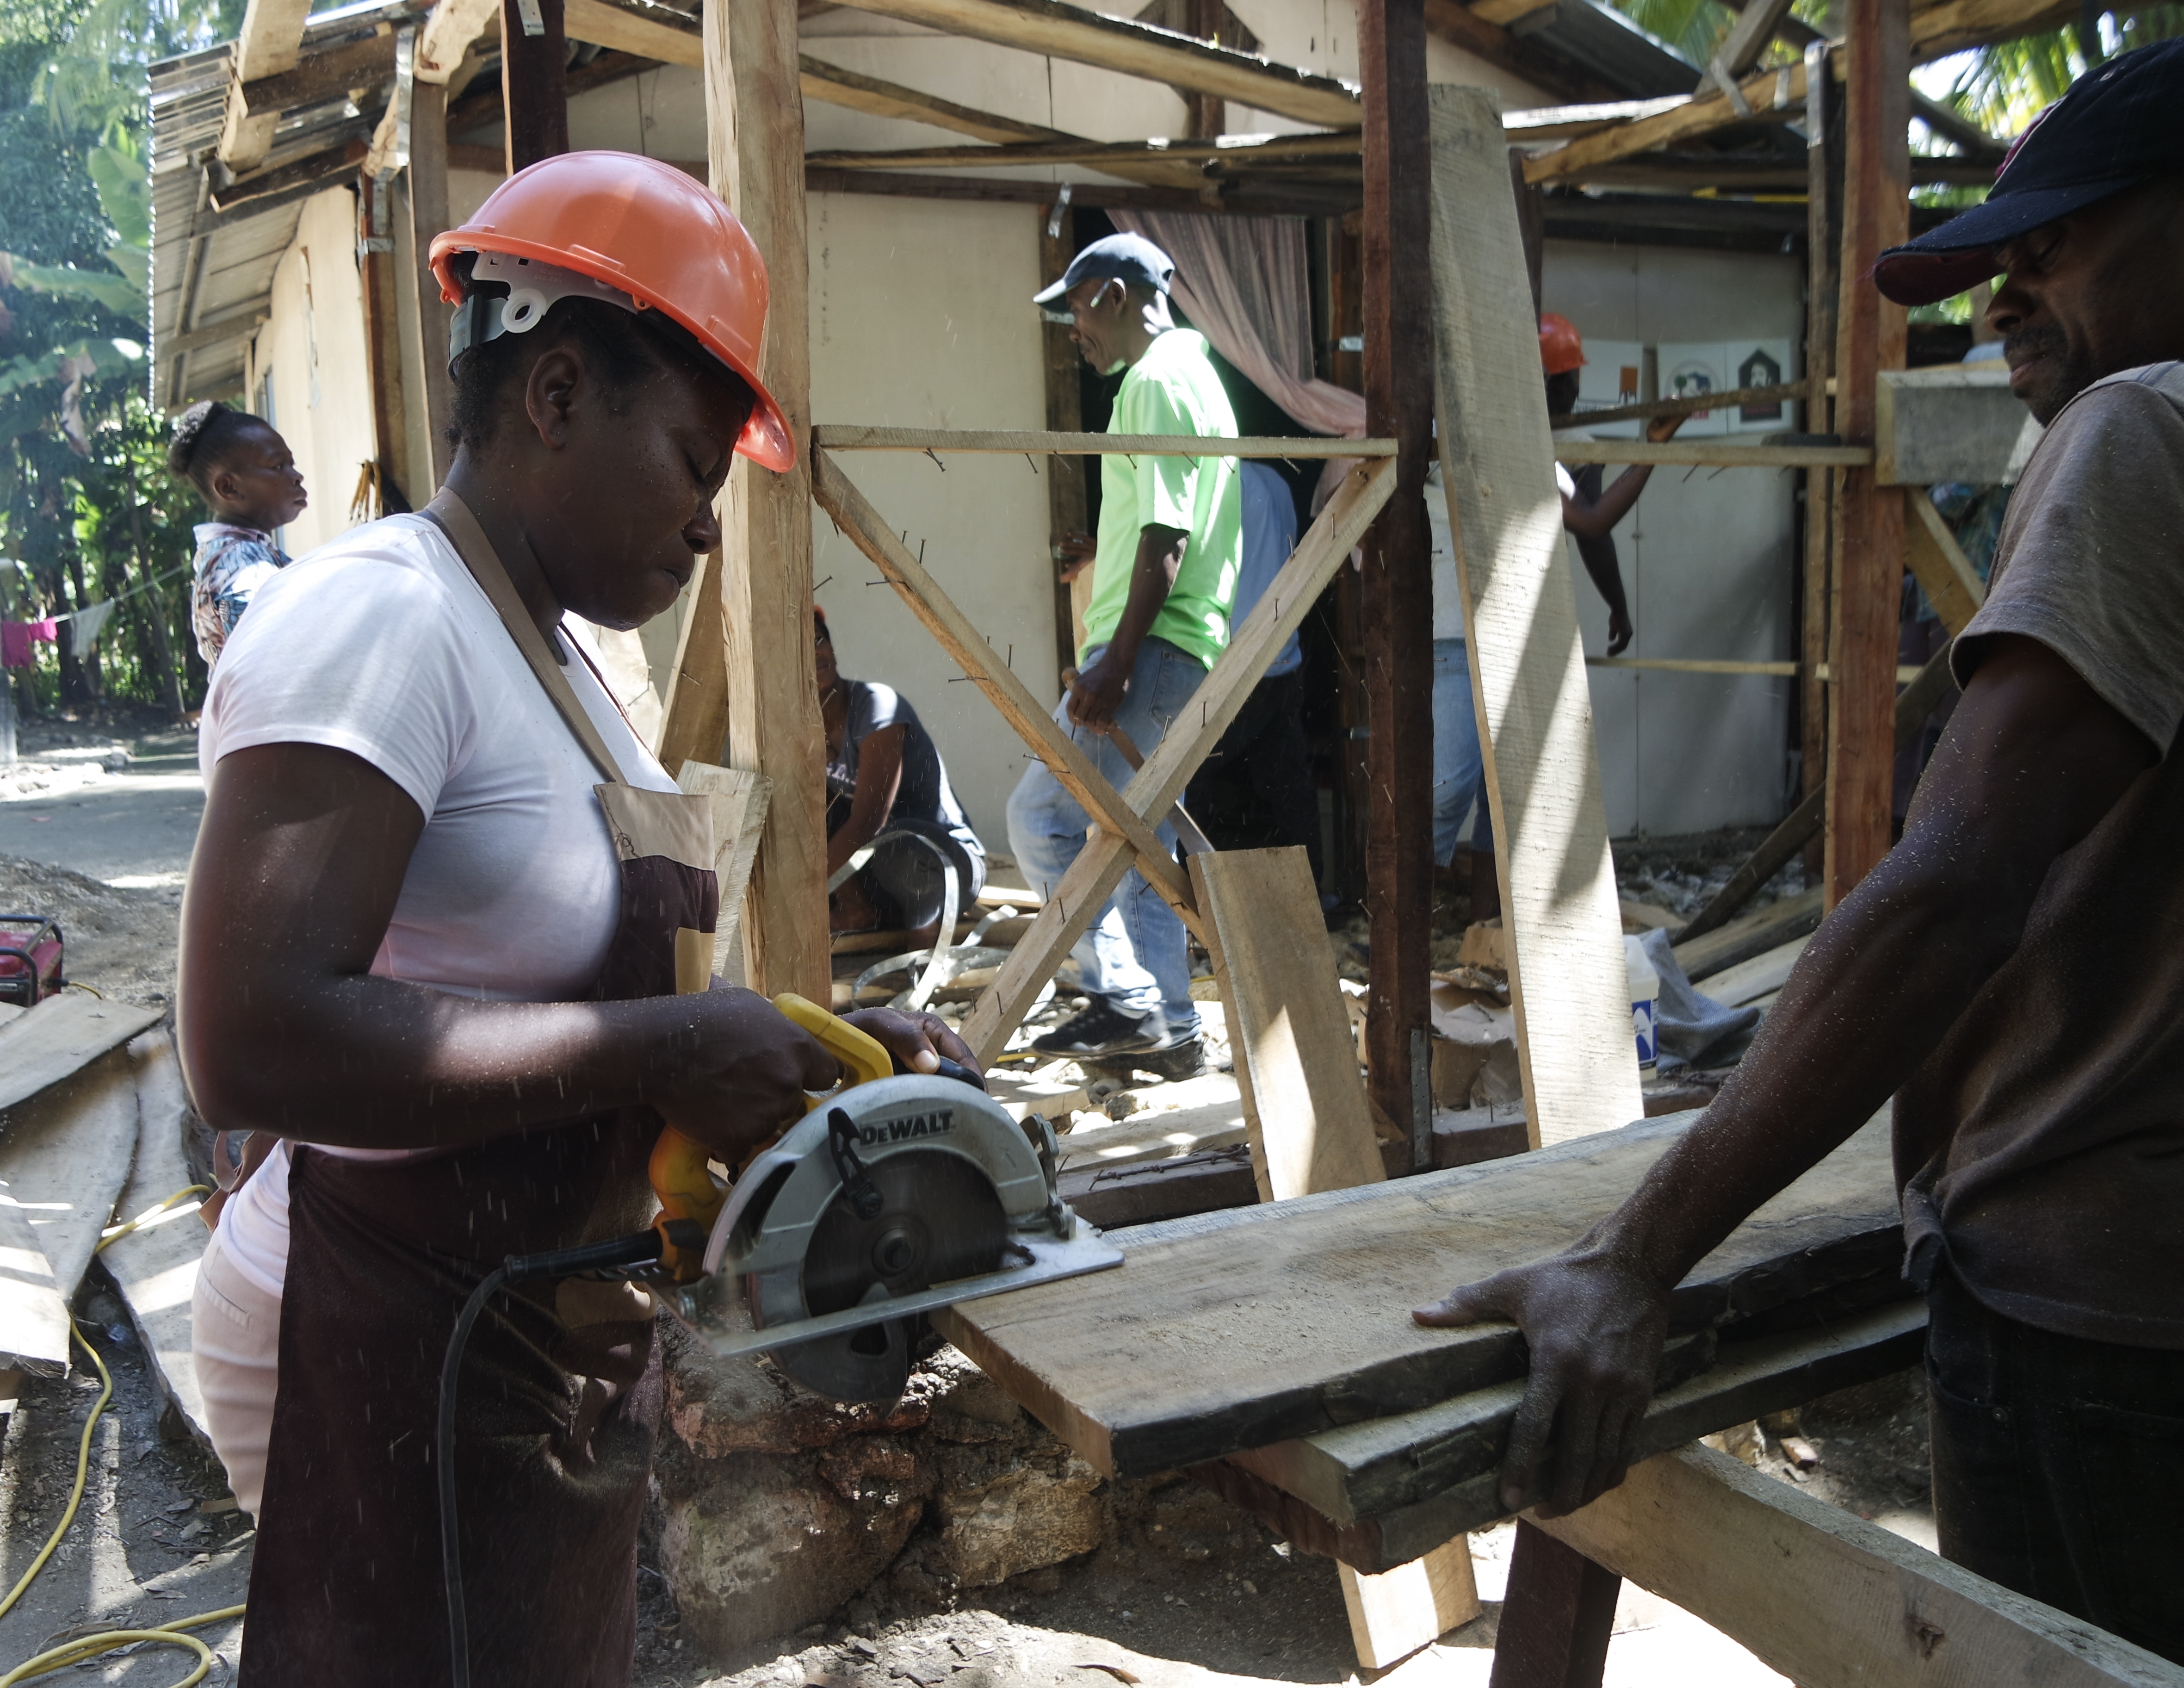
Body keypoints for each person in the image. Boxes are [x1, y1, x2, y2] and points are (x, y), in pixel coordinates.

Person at [1415, 40, 2184, 1663]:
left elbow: (1955, 886)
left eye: (2048, 247)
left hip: (2101, 1307)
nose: (2000, 299)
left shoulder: (2142, 430)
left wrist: (1635, 1255)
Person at [178, 152, 977, 1685]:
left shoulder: (560, 663)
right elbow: (252, 1037)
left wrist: (817, 1053)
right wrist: (655, 1046)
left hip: (527, 1328)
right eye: (690, 459)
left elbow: (552, 981)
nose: (703, 524)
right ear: (556, 391)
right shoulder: (383, 619)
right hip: (378, 1333)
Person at [1006, 233, 1241, 1068]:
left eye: (1076, 307)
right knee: (1142, 843)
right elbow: (1168, 524)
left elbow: (1167, 534)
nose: (1075, 329)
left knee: (1040, 819)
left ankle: (1126, 998)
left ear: (1109, 293)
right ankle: (1171, 1023)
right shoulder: (1201, 380)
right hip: (1183, 642)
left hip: (1152, 647)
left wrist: (1117, 658)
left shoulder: (1151, 381)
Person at [1430, 316, 1684, 922]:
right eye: (1567, 380)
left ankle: (1486, 932)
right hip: (1457, 638)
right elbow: (1591, 523)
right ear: (1541, 383)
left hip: (1522, 640)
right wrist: (1651, 451)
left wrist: (1616, 602)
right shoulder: (1496, 441)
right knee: (1448, 790)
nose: (1574, 392)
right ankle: (1410, 918)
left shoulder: (1555, 446)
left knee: (1507, 798)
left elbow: (1589, 525)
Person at [1185, 459, 1325, 894]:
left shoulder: (1214, 482)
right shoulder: (1275, 481)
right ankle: (1313, 894)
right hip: (1281, 657)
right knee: (1287, 783)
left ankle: (1195, 903)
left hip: (1232, 661)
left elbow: (1189, 558)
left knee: (1188, 783)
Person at [817, 606, 987, 937]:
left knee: (898, 839)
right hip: (878, 876)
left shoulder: (878, 706)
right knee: (803, 813)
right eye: (801, 647)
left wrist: (802, 894)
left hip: (942, 869)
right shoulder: (801, 723)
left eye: (818, 640)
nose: (815, 653)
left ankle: (924, 934)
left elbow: (869, 821)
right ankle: (857, 910)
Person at [165, 399, 307, 668]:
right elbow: (274, 662)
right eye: (278, 466)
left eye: (292, 464)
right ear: (228, 488)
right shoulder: (244, 562)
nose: (296, 476)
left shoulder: (224, 554)